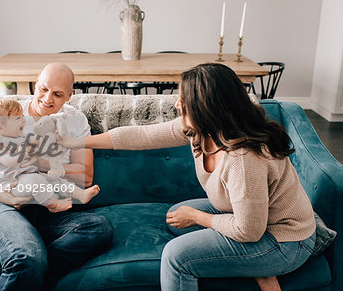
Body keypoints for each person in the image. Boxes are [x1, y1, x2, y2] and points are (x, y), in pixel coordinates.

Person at [59, 63, 316, 291]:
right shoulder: (202, 130)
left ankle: (263, 266)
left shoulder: (243, 159)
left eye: (183, 98)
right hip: (255, 220)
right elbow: (140, 136)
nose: (176, 103)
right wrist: (75, 142)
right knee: (176, 216)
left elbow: (248, 230)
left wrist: (197, 217)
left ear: (206, 105)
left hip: (283, 240)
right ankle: (257, 269)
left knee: (176, 256)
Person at [0, 62, 113, 291]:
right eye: (43, 89)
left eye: (57, 94)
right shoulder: (4, 114)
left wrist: (41, 163)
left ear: (70, 95)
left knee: (99, 228)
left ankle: (18, 276)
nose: (47, 98)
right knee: (28, 256)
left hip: (46, 207)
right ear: (35, 84)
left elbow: (85, 178)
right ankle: (28, 263)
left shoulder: (75, 120)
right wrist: (7, 197)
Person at [0, 98, 100, 205]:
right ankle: (52, 203)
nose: (23, 120)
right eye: (18, 118)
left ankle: (80, 194)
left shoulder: (20, 135)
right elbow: (8, 161)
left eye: (22, 116)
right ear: (0, 128)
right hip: (10, 185)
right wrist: (20, 154)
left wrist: (53, 136)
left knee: (53, 178)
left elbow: (39, 140)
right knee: (36, 181)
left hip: (25, 175)